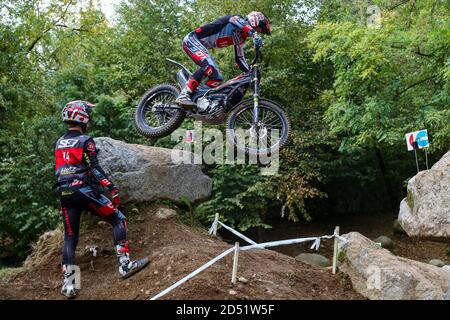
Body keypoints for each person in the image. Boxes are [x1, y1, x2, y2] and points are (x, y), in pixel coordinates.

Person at [53, 100, 149, 298]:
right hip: (84, 192)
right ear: (82, 117)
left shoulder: (59, 142)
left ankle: (70, 285)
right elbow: (94, 168)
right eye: (87, 113)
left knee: (70, 238)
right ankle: (125, 265)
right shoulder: (86, 140)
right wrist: (111, 188)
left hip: (65, 194)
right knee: (118, 218)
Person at [175, 11, 271, 108]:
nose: (259, 32)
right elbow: (235, 20)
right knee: (209, 66)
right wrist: (254, 34)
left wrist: (249, 72)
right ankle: (184, 95)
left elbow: (239, 58)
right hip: (192, 39)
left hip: (199, 45)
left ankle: (199, 97)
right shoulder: (236, 19)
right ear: (255, 21)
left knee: (217, 77)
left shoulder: (240, 38)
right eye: (260, 29)